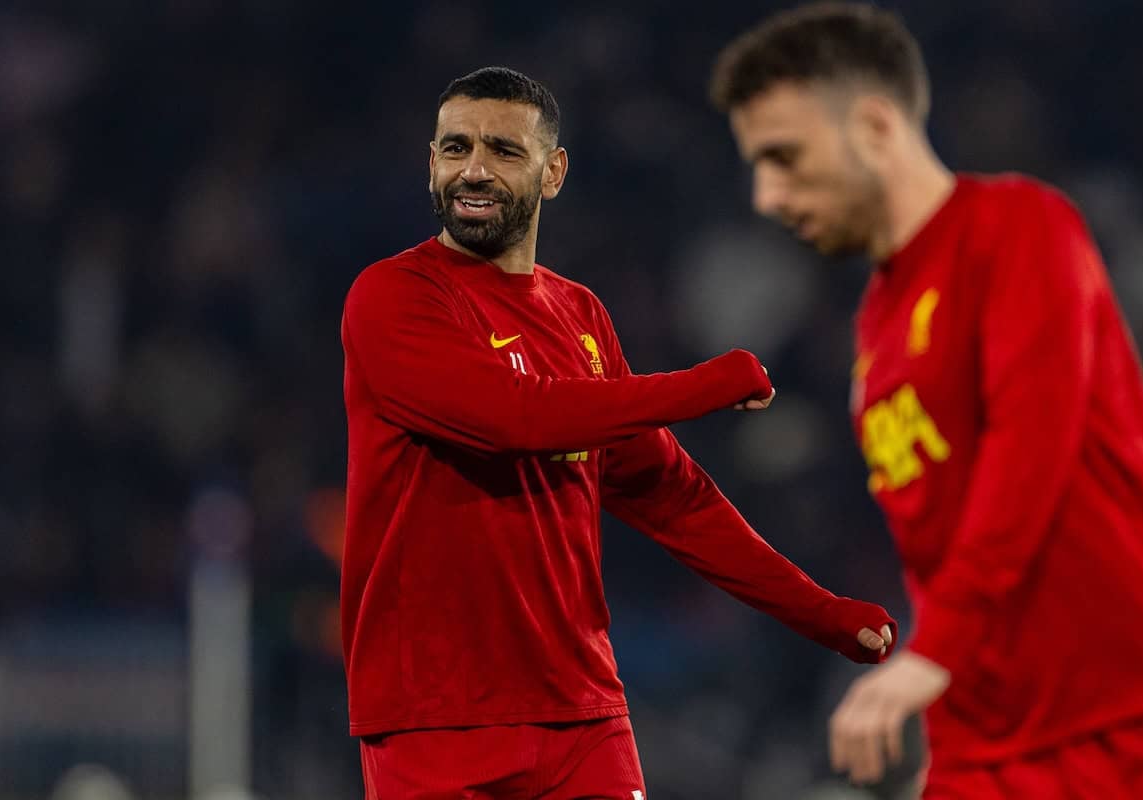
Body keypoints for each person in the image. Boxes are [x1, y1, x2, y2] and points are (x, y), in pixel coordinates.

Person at [340, 65, 896, 798]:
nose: (474, 169)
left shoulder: (580, 315)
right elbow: (513, 417)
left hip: (581, 716)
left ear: (553, 173)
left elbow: (674, 498)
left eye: (504, 151)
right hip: (432, 720)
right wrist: (704, 385)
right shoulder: (394, 296)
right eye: (455, 148)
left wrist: (819, 612)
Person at [709, 3, 1143, 797]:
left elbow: (1030, 459)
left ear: (876, 126)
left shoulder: (1017, 228)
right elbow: (944, 557)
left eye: (786, 157)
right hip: (989, 745)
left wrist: (931, 656)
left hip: (1123, 724)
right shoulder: (877, 331)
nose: (767, 196)